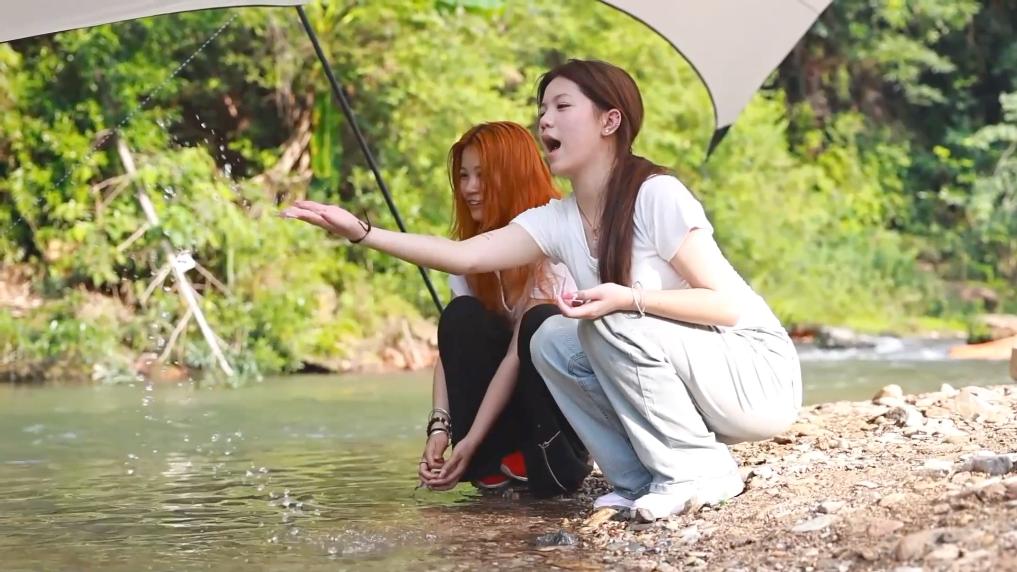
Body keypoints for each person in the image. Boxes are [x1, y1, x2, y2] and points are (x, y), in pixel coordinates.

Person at [282, 60, 801, 521]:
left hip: (753, 378)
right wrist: (362, 232)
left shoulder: (656, 194)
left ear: (610, 121)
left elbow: (726, 305)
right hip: (694, 382)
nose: (544, 121)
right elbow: (466, 255)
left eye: (561, 106)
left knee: (606, 318)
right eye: (542, 109)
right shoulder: (559, 219)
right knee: (551, 338)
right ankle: (637, 480)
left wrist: (629, 298)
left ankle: (702, 473)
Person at [337, 122, 591, 496]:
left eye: (482, 176)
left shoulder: (554, 237)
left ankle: (544, 458)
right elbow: (451, 350)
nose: (469, 188)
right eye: (463, 176)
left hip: (556, 420)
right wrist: (440, 428)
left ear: (514, 176)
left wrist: (469, 439)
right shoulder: (471, 249)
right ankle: (490, 464)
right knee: (461, 316)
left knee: (539, 323)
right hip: (503, 405)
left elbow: (515, 358)